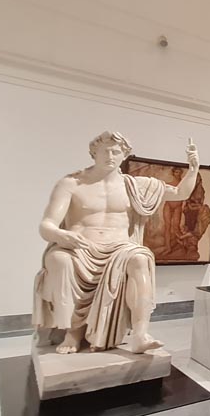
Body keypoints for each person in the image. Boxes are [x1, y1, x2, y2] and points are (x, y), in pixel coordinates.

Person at [34, 132, 198, 354]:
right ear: (94, 153)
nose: (110, 155)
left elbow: (181, 193)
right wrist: (61, 236)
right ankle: (73, 333)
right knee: (59, 260)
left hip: (120, 248)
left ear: (124, 155)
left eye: (116, 151)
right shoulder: (72, 183)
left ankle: (140, 334)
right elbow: (47, 225)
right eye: (105, 151)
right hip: (78, 248)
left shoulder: (136, 186)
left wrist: (193, 168)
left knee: (141, 258)